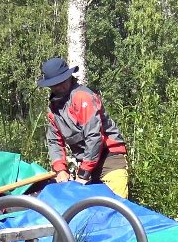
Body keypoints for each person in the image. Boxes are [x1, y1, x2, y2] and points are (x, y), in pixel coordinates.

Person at [37, 56, 129, 198]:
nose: (60, 87)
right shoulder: (53, 109)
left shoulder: (82, 96)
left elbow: (94, 136)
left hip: (110, 159)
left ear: (69, 77)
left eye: (63, 82)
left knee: (117, 211)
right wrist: (60, 169)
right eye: (55, 84)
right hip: (88, 166)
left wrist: (83, 174)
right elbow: (54, 141)